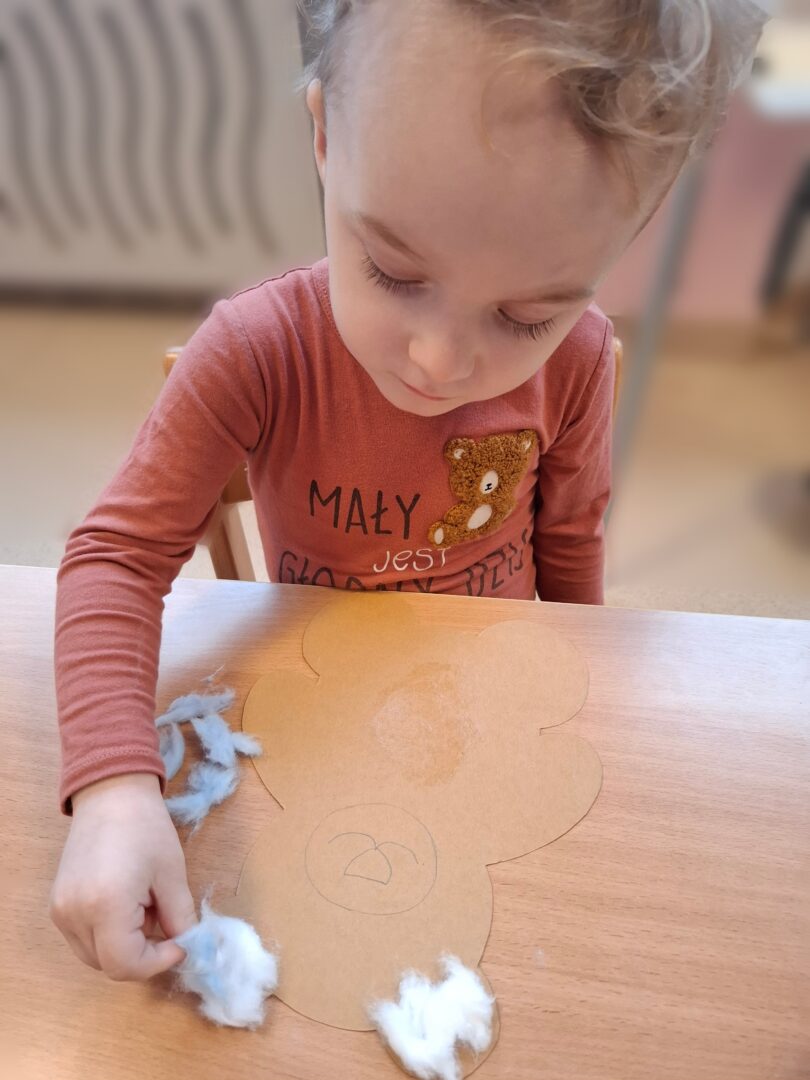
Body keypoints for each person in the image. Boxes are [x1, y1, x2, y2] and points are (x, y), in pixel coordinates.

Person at [50, 0, 766, 982]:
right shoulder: (256, 352)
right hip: (313, 726)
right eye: (393, 271)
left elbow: (571, 546)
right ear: (323, 135)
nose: (440, 361)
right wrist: (111, 788)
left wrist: (582, 705)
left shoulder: (581, 363)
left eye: (526, 316)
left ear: (635, 226)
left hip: (483, 723)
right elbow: (115, 559)